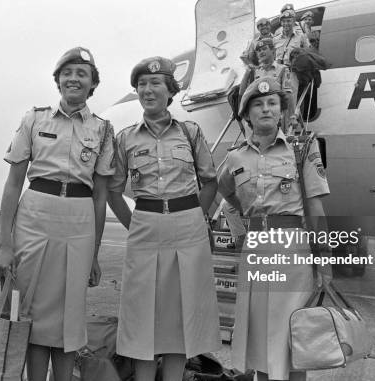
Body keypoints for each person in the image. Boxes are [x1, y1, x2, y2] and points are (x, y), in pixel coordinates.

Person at [0, 47, 115, 381]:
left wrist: (94, 254)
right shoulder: (34, 119)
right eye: (68, 72)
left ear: (92, 85)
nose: (74, 78)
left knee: (70, 315)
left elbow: (101, 195)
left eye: (82, 73)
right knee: (31, 311)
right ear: (58, 80)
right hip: (35, 215)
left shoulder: (104, 130)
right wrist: (5, 246)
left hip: (79, 220)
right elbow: (13, 184)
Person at [107, 56, 221, 381]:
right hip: (146, 224)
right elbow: (115, 190)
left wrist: (198, 218)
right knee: (141, 317)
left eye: (155, 83)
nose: (147, 89)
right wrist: (135, 225)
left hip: (188, 226)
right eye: (141, 84)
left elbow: (210, 180)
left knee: (180, 318)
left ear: (170, 90)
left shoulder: (190, 132)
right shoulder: (125, 138)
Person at [217, 77, 332, 381]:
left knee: (292, 336)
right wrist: (241, 231)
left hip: (292, 249)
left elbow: (317, 208)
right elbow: (226, 194)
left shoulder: (302, 149)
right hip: (256, 249)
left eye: (272, 103)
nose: (265, 109)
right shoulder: (235, 157)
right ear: (247, 114)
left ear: (281, 111)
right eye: (258, 104)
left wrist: (324, 259)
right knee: (260, 337)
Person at [239, 38, 298, 133]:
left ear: (272, 50)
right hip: (260, 114)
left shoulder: (283, 69)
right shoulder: (255, 72)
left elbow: (288, 94)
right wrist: (246, 74)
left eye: (264, 49)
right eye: (258, 50)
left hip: (276, 112)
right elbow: (243, 93)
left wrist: (292, 116)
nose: (261, 52)